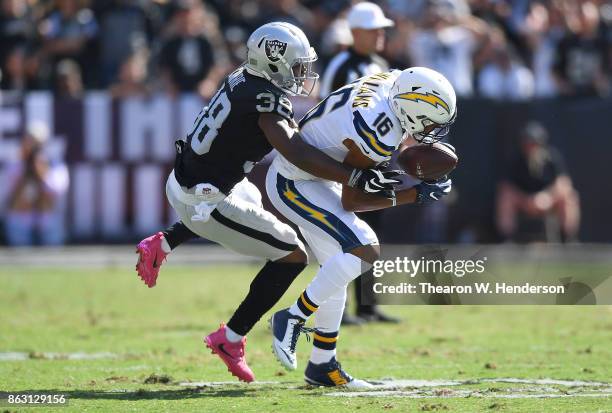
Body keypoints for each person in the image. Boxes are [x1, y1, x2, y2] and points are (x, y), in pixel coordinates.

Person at [134, 22, 400, 383]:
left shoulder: (245, 77)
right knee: (292, 254)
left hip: (190, 182)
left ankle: (164, 241)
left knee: (254, 196)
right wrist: (352, 176)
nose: (302, 74)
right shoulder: (266, 98)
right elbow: (293, 150)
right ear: (273, 62)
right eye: (296, 65)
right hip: (206, 200)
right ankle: (230, 338)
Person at [268, 67, 457, 387]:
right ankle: (292, 316)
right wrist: (413, 195)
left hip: (315, 178)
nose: (433, 132)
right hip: (295, 182)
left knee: (336, 271)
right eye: (431, 123)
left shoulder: (391, 82)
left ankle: (322, 365)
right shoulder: (379, 130)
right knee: (365, 248)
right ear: (413, 111)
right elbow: (353, 201)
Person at [318, 1, 398, 325]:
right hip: (346, 159)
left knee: (373, 232)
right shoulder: (341, 64)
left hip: (376, 159)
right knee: (341, 234)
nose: (380, 34)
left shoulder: (381, 64)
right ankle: (335, 307)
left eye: (382, 29)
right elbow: (326, 109)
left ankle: (367, 305)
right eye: (374, 28)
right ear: (355, 32)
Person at [496, 121, 580, 242]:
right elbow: (506, 186)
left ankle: (569, 239)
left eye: (534, 143)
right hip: (524, 200)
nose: (530, 147)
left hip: (548, 201)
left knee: (570, 196)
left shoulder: (552, 157)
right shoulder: (516, 159)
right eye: (527, 143)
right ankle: (506, 240)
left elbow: (564, 182)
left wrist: (547, 197)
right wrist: (527, 199)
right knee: (505, 197)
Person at [4, 121, 69, 246]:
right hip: (21, 221)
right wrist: (24, 164)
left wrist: (40, 169)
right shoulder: (16, 163)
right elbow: (11, 187)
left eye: (37, 144)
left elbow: (55, 190)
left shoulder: (55, 165)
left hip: (47, 221)